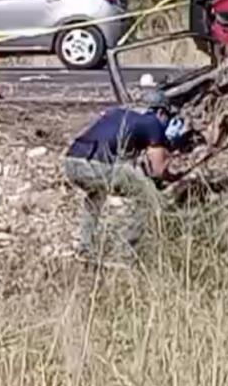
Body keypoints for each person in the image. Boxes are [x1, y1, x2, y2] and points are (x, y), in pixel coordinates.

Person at [63, 90, 186, 264]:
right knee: (148, 199)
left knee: (96, 195)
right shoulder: (153, 123)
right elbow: (158, 170)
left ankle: (85, 247)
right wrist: (174, 174)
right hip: (96, 165)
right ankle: (123, 254)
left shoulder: (119, 113)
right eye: (167, 116)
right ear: (160, 111)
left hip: (71, 162)